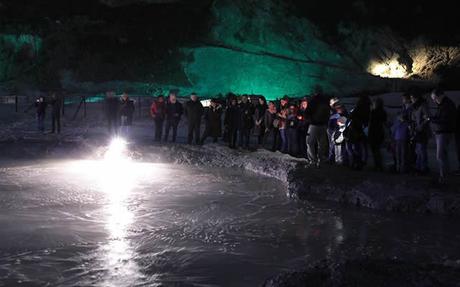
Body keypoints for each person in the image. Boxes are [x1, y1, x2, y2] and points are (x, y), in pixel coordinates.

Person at [430, 89, 457, 183]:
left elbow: (446, 120)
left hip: (444, 132)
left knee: (440, 155)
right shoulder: (442, 105)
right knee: (443, 155)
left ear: (440, 95)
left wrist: (432, 120)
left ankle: (443, 176)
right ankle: (445, 174)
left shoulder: (447, 105)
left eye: (435, 98)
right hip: (441, 131)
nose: (434, 100)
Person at [345, 95, 370, 170]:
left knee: (354, 147)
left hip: (354, 129)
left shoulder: (358, 108)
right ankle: (360, 163)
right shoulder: (368, 109)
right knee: (359, 147)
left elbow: (350, 117)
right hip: (362, 130)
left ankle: (355, 162)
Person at [306, 93, 330, 167]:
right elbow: (328, 113)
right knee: (322, 144)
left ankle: (313, 161)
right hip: (323, 125)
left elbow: (307, 112)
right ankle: (320, 160)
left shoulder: (312, 102)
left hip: (314, 125)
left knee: (310, 142)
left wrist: (310, 120)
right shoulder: (325, 101)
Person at [410, 93, 431, 174]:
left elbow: (428, 117)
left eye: (412, 97)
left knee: (422, 150)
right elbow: (414, 118)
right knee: (418, 150)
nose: (411, 99)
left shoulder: (423, 106)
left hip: (422, 132)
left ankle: (423, 168)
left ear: (416, 98)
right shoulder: (415, 107)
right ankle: (419, 167)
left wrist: (421, 126)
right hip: (417, 131)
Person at [368, 98, 387, 171]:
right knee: (377, 150)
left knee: (375, 150)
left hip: (374, 133)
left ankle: (377, 165)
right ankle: (379, 165)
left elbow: (371, 123)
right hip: (379, 132)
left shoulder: (373, 112)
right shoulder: (383, 112)